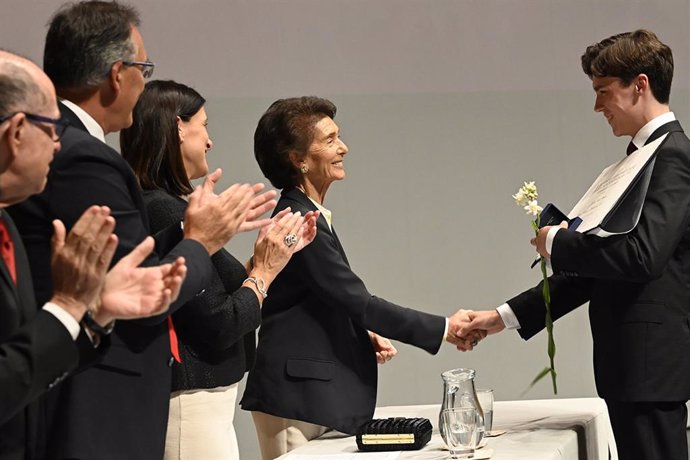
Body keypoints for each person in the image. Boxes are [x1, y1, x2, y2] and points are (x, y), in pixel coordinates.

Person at [7, 2, 276, 459]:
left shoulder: (83, 153)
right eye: (143, 68)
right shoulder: (84, 156)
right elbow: (147, 296)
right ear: (117, 73)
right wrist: (201, 242)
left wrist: (198, 235)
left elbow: (118, 274)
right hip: (95, 398)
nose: (51, 141)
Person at [458, 30, 690, 460]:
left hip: (651, 367)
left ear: (640, 84)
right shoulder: (639, 158)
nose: (597, 106)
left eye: (604, 92)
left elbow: (642, 257)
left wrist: (560, 243)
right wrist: (502, 317)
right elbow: (597, 275)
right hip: (634, 369)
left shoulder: (671, 156)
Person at [240, 96, 481, 459]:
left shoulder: (309, 214)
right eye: (330, 139)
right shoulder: (297, 219)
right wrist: (445, 328)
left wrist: (358, 332)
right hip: (297, 400)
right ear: (298, 159)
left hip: (312, 396)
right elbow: (357, 300)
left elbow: (321, 300)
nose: (344, 147)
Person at [0, 50, 187, 459]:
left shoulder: (8, 224)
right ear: (16, 132)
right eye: (51, 127)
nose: (58, 142)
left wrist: (95, 311)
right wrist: (67, 306)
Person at [120, 80, 318, 460]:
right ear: (178, 127)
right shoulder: (164, 210)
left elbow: (208, 294)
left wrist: (265, 257)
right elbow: (219, 322)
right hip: (189, 406)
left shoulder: (168, 206)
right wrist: (264, 273)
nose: (210, 140)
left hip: (202, 404)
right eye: (204, 125)